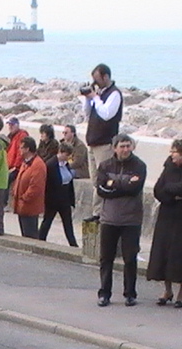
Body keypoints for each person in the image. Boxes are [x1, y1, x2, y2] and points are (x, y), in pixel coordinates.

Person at [95, 134, 146, 307]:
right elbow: (101, 189)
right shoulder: (105, 165)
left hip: (131, 219)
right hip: (109, 218)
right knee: (106, 258)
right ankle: (104, 293)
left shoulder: (139, 166)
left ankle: (130, 293)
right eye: (122, 146)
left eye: (128, 146)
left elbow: (134, 189)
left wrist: (113, 183)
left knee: (130, 258)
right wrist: (123, 183)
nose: (125, 150)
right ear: (114, 147)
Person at [82, 63, 123, 222]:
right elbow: (87, 114)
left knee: (103, 179)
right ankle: (97, 212)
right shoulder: (99, 94)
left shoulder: (114, 94)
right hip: (93, 142)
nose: (95, 83)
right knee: (95, 181)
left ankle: (100, 213)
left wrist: (95, 98)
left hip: (105, 143)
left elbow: (107, 114)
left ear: (106, 77)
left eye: (97, 79)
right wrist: (88, 99)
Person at [146, 139, 182, 307]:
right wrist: (173, 195)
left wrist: (172, 189)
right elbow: (159, 189)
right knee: (164, 252)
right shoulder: (168, 167)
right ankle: (167, 290)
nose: (171, 154)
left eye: (174, 151)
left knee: (178, 253)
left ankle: (181, 294)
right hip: (167, 213)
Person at [38, 143, 78, 247]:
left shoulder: (66, 164)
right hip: (53, 199)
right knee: (47, 221)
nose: (67, 157)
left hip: (64, 199)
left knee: (68, 224)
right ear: (61, 152)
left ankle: (73, 244)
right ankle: (40, 240)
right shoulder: (50, 165)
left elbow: (69, 182)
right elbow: (47, 184)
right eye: (66, 154)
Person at [13, 136, 47, 239]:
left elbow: (35, 187)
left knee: (30, 235)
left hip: (29, 206)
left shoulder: (38, 165)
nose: (19, 150)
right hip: (22, 205)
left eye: (21, 148)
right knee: (25, 234)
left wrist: (24, 198)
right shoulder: (26, 162)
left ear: (27, 149)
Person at [4, 117, 29, 206]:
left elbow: (20, 153)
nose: (10, 127)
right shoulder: (10, 136)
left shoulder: (22, 135)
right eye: (9, 125)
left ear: (17, 125)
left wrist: (15, 166)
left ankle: (4, 203)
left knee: (6, 179)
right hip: (10, 165)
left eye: (12, 125)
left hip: (17, 167)